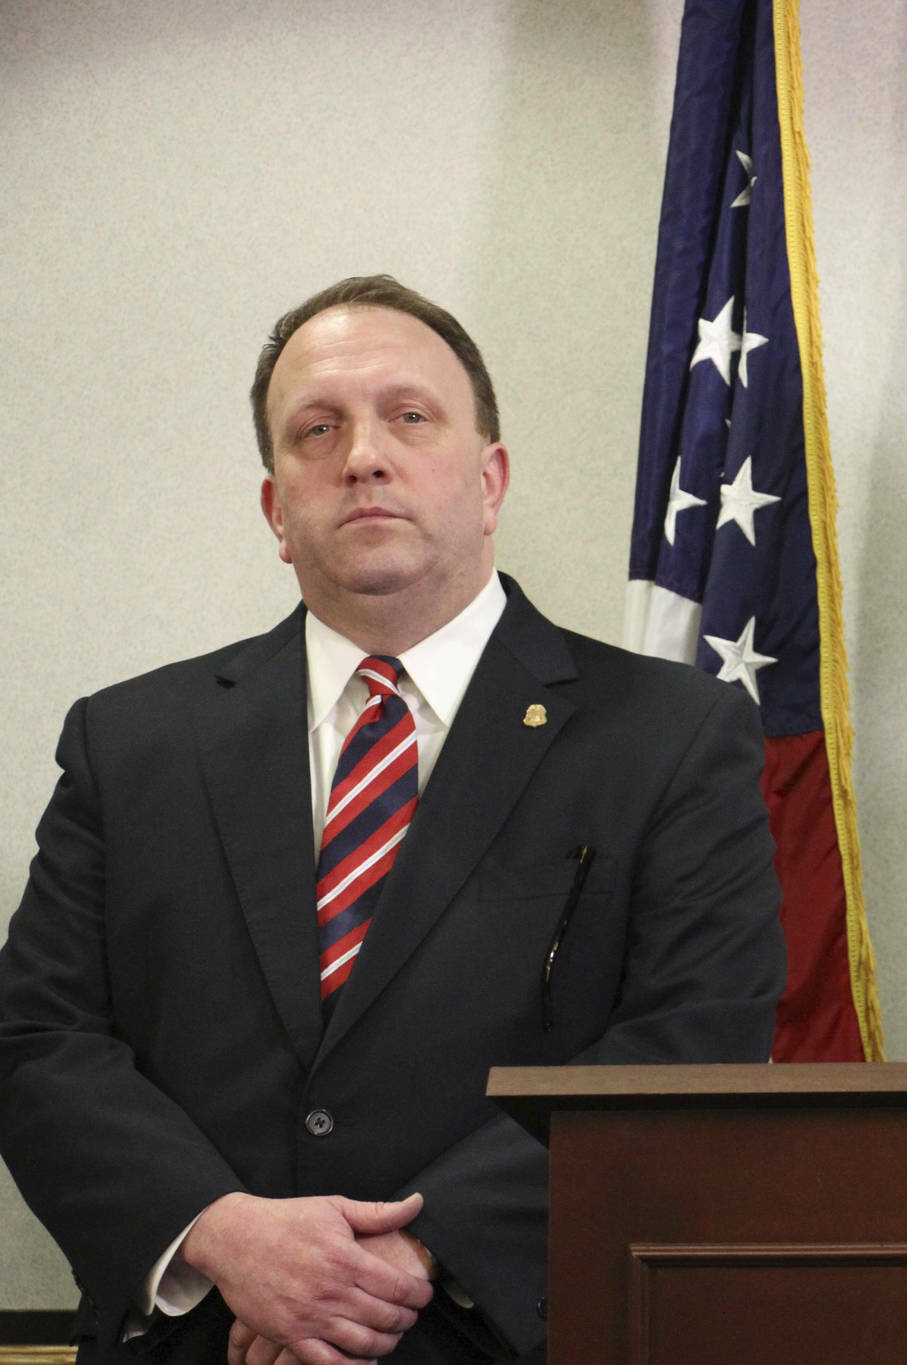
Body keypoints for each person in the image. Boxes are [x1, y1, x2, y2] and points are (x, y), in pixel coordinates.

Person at [0, 276, 786, 1364]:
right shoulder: (128, 742)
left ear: (490, 477)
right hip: (203, 1338)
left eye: (408, 417)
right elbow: (40, 1040)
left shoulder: (673, 737)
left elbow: (692, 1045)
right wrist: (228, 1242)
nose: (362, 455)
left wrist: (394, 1266)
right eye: (316, 430)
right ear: (276, 508)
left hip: (508, 1333)